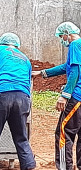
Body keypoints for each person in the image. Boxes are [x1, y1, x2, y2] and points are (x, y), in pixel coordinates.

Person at [32, 22, 81, 170]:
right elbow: (66, 67)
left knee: (63, 132)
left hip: (79, 96)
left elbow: (74, 71)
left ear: (68, 33)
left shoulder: (75, 45)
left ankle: (64, 167)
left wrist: (65, 95)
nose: (63, 40)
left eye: (62, 36)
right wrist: (43, 73)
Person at [0, 33, 36, 170]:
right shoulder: (25, 58)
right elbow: (27, 80)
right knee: (21, 136)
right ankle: (28, 165)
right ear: (17, 44)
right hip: (22, 98)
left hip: (3, 95)